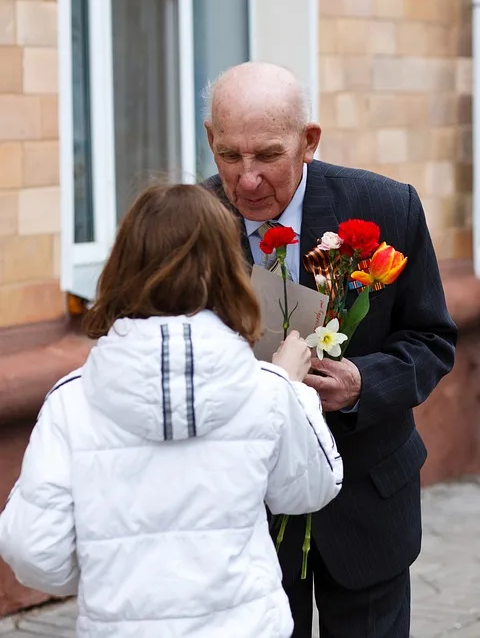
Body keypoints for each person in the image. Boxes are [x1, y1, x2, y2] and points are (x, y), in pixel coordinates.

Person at [0, 183, 342, 638]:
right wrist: (293, 388)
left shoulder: (72, 401)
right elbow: (310, 490)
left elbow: (34, 552)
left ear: (123, 265)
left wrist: (112, 569)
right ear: (226, 270)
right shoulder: (266, 390)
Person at [203, 61, 458, 638]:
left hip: (367, 498)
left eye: (267, 155)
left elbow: (431, 339)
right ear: (209, 141)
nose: (245, 180)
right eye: (228, 156)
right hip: (248, 512)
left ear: (309, 141)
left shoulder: (387, 208)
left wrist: (364, 384)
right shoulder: (190, 224)